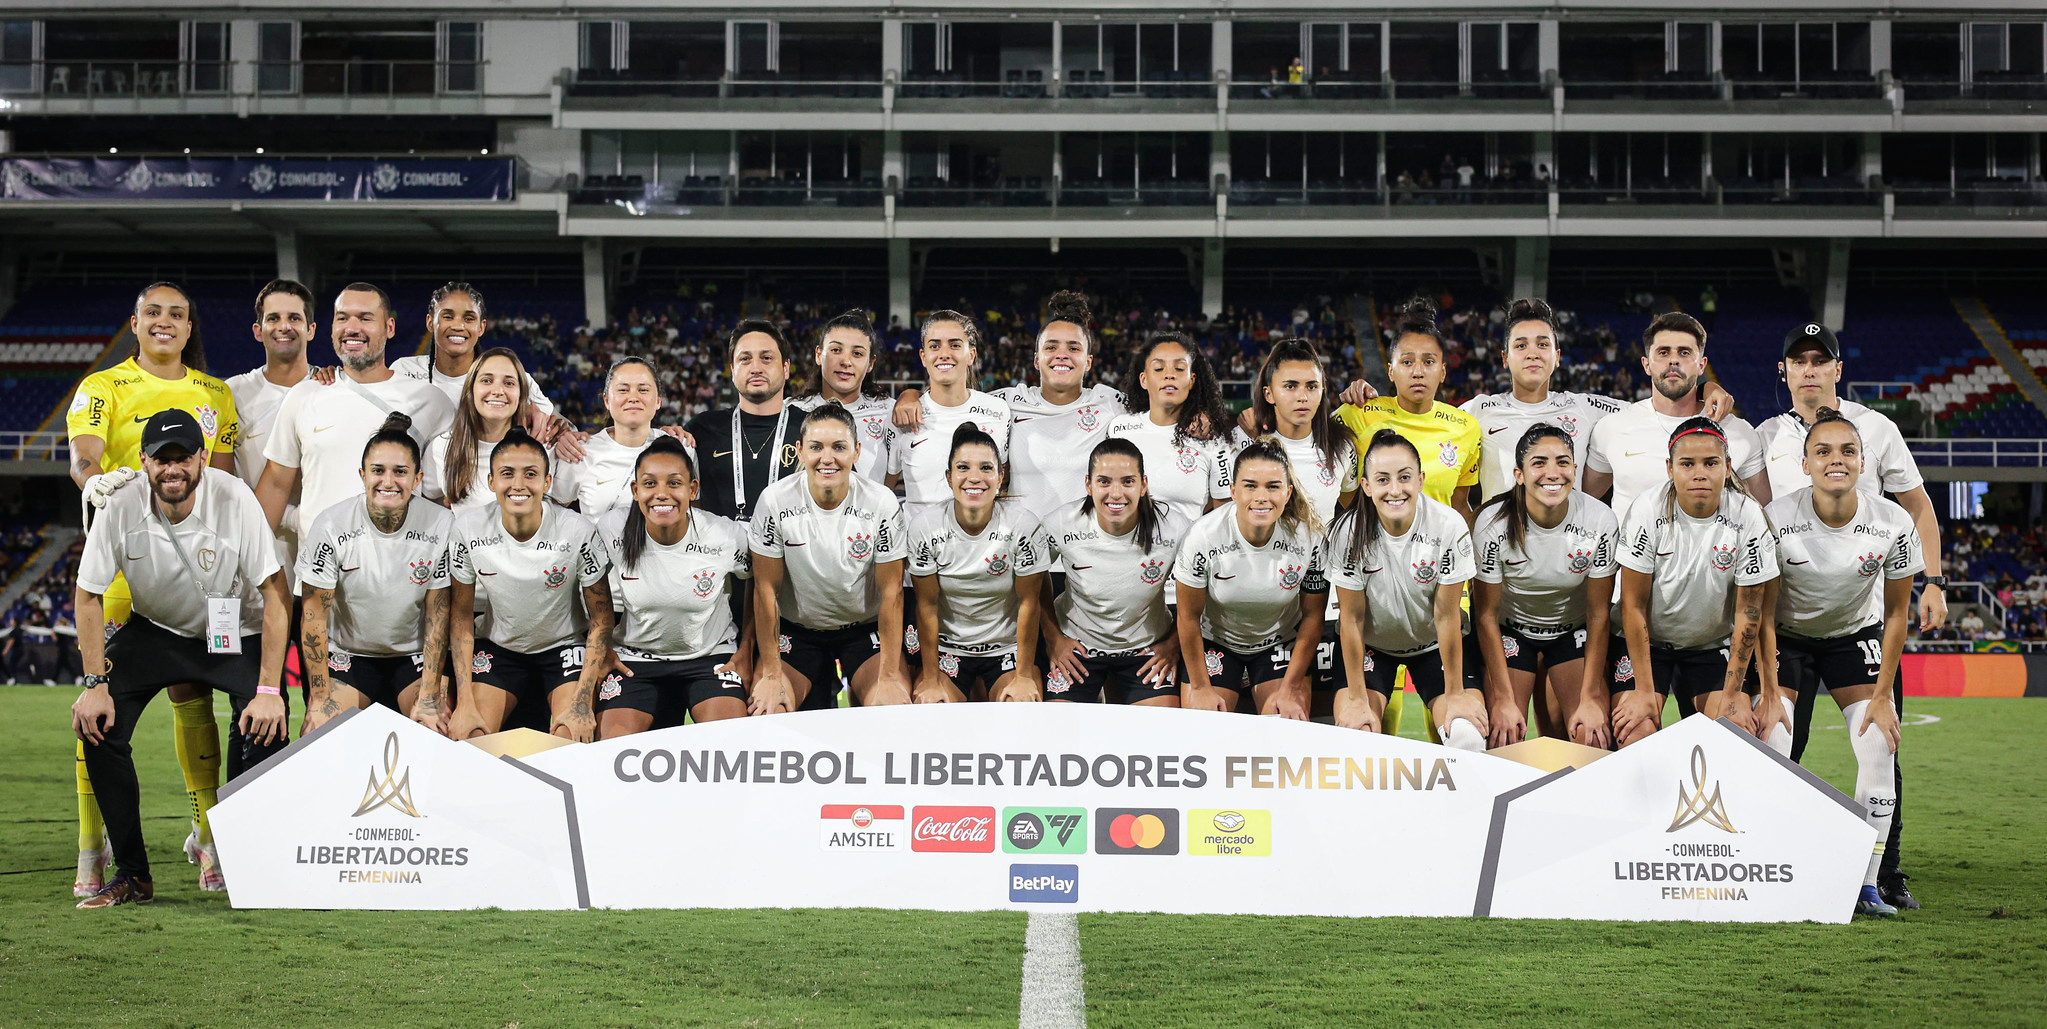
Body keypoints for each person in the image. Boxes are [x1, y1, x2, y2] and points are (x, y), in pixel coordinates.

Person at [64, 281, 243, 899]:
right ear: (133, 323)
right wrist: (94, 481)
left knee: (195, 696)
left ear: (191, 326)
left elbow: (220, 484)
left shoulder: (215, 395)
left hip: (201, 574)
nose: (164, 322)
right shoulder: (103, 388)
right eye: (152, 313)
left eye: (177, 314)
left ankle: (209, 839)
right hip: (120, 574)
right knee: (101, 706)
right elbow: (85, 456)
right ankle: (93, 846)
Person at [70, 410, 290, 908]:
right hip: (156, 631)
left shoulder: (234, 499)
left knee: (266, 723)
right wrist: (92, 683)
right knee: (97, 725)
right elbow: (88, 595)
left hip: (232, 628)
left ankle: (245, 860)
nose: (173, 469)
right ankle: (132, 874)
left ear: (202, 458)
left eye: (183, 458)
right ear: (143, 461)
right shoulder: (120, 506)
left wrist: (270, 691)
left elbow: (276, 592)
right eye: (161, 459)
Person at [1758, 322, 1944, 908]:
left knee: (1880, 741)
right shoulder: (1762, 436)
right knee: (1782, 741)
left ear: (1838, 369)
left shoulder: (1878, 430)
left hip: (1855, 621)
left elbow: (1917, 508)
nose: (1809, 369)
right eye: (1799, 360)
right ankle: (1773, 864)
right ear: (1784, 371)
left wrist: (1933, 582)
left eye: (1821, 360)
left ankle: (1880, 875)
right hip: (1785, 623)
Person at [1460, 297, 1733, 505]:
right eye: (1521, 345)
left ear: (1557, 356)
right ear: (1505, 358)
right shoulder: (1478, 410)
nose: (1532, 353)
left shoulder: (1586, 408)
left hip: (1570, 561)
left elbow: (1660, 408)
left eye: (1542, 344)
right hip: (1499, 558)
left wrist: (1704, 388)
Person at [1611, 417, 1780, 747]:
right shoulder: (1647, 510)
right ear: (1670, 469)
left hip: (1710, 645)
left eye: (1711, 463)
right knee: (1635, 733)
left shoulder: (1747, 515)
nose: (1699, 472)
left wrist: (1732, 693)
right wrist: (1644, 690)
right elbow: (1632, 605)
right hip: (1649, 647)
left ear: (1728, 468)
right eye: (1687, 463)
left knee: (1735, 733)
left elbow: (1749, 613)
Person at [256, 282, 458, 542]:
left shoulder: (430, 402)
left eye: (365, 318)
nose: (352, 328)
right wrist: (254, 566)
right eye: (342, 318)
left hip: (401, 571)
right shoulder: (304, 396)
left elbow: (449, 487)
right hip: (320, 574)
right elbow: (275, 485)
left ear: (390, 328)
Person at [446, 429, 611, 742]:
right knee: (472, 737)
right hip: (500, 648)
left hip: (563, 647)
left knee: (571, 738)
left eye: (531, 474)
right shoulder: (468, 529)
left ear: (547, 483)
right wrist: (465, 701)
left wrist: (581, 701)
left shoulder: (576, 531)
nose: (518, 485)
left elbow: (602, 619)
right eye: (507, 474)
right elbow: (461, 616)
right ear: (491, 481)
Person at [1326, 429, 1487, 749]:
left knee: (1466, 736)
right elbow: (1352, 620)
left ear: (1421, 480)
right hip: (1373, 647)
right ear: (1366, 485)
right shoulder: (1348, 531)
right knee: (1356, 735)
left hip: (1432, 645)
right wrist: (1357, 697)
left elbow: (1446, 615)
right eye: (1382, 479)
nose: (1395, 489)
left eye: (1404, 477)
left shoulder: (1448, 525)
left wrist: (1455, 694)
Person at [295, 413, 454, 734]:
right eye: (378, 471)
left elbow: (438, 618)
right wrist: (319, 696)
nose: (388, 481)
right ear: (362, 475)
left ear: (418, 478)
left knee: (439, 731)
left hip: (414, 657)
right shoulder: (331, 525)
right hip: (349, 656)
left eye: (401, 472)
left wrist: (428, 695)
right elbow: (313, 616)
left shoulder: (441, 524)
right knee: (319, 736)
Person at [748, 403, 912, 712]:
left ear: (856, 451)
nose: (827, 458)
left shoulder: (880, 503)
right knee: (767, 710)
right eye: (816, 447)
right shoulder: (774, 500)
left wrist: (889, 676)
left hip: (863, 630)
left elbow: (892, 593)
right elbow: (765, 591)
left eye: (839, 447)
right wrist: (771, 673)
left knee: (891, 710)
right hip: (798, 632)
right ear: (799, 451)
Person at [1471, 425, 1620, 747]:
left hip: (1572, 632)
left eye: (1562, 462)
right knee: (1503, 734)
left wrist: (1592, 696)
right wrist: (1504, 699)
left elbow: (1598, 615)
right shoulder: (1493, 524)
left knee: (1591, 735)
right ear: (1519, 474)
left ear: (1575, 471)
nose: (1552, 473)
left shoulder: (1599, 520)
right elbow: (1484, 615)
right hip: (1511, 632)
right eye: (1539, 463)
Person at [593, 435, 752, 735]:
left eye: (674, 483)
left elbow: (760, 585)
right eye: (650, 484)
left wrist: (747, 648)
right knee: (613, 749)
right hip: (635, 658)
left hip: (710, 657)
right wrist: (603, 648)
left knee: (730, 744)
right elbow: (591, 586)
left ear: (692, 489)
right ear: (635, 491)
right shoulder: (612, 529)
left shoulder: (724, 535)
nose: (662, 493)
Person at [1172, 440, 1329, 719]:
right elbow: (1187, 617)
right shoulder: (1203, 537)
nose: (1261, 497)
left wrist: (1290, 687)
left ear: (1288, 492)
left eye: (1273, 486)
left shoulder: (1310, 540)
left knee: (1287, 725)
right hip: (1216, 641)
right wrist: (1200, 687)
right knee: (1205, 725)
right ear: (1233, 491)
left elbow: (1313, 617)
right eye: (1250, 485)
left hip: (1279, 642)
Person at [1037, 439, 1192, 705]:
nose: (1116, 493)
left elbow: (1207, 590)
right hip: (1077, 648)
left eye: (1128, 482)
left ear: (1144, 485)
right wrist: (1054, 639)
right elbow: (1031, 581)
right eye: (1104, 481)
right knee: (1058, 732)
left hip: (1146, 650)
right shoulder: (1060, 523)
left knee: (1159, 736)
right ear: (1089, 484)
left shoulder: (1175, 528)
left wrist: (1173, 643)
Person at [907, 425, 1047, 703]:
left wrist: (1023, 677)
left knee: (1021, 709)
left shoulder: (1023, 526)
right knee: (931, 711)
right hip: (949, 650)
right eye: (963, 467)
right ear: (949, 477)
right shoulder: (925, 528)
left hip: (1007, 650)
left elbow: (1029, 604)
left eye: (985, 468)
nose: (974, 477)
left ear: (1000, 476)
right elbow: (927, 605)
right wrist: (932, 679)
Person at [1584, 311, 1770, 520]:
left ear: (1702, 365)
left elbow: (1765, 516)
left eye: (1684, 353)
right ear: (1646, 364)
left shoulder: (1739, 433)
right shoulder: (1612, 428)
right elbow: (1581, 503)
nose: (1673, 360)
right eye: (1663, 352)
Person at [1332, 297, 1480, 523]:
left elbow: (1459, 505)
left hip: (1436, 554)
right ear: (1391, 371)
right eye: (1407, 362)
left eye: (1428, 362)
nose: (1418, 372)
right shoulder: (1358, 413)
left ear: (1443, 372)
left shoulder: (1466, 427)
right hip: (1374, 552)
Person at [887, 310, 1013, 512]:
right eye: (935, 346)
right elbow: (885, 490)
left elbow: (1004, 481)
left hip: (982, 541)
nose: (944, 353)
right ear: (923, 356)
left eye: (955, 345)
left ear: (971, 355)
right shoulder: (902, 415)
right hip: (919, 541)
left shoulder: (997, 410)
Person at [1105, 331, 1242, 517]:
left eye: (1179, 368)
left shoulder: (1212, 438)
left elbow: (1225, 516)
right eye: (1159, 368)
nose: (1169, 375)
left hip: (1187, 546)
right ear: (1144, 380)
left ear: (1192, 380)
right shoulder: (1119, 428)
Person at [684, 320, 807, 522]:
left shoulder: (812, 429)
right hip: (718, 552)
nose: (756, 367)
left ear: (786, 368)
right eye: (745, 359)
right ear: (732, 370)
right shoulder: (701, 429)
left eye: (766, 358)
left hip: (791, 551)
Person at [390, 282, 555, 419]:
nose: (458, 326)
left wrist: (561, 430)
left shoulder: (511, 377)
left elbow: (562, 424)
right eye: (447, 316)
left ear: (482, 327)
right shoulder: (403, 371)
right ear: (430, 323)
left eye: (469, 319)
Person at [423, 348, 545, 515]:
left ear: (521, 394)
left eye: (509, 383)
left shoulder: (543, 444)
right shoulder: (443, 447)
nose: (497, 391)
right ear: (471, 390)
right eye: (487, 381)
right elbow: (427, 501)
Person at [551, 357, 673, 517]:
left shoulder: (680, 447)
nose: (633, 397)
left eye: (643, 389)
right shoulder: (580, 452)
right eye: (623, 390)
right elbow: (554, 512)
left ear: (658, 401)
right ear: (606, 401)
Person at [790, 310, 896, 484]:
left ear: (870, 363)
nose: (846, 361)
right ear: (818, 355)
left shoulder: (890, 412)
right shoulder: (792, 411)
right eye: (836, 350)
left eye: (857, 354)